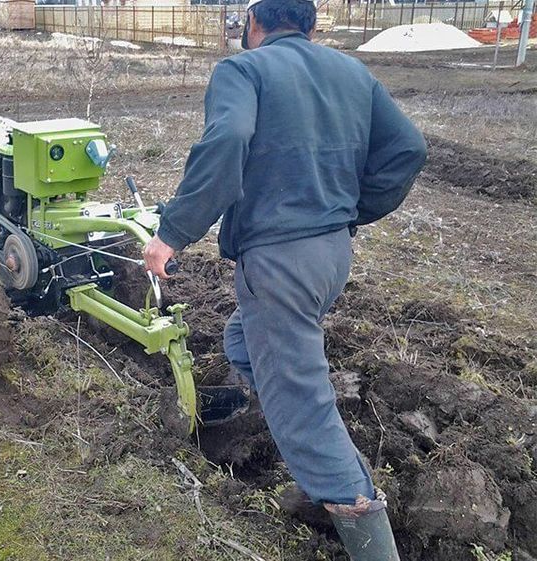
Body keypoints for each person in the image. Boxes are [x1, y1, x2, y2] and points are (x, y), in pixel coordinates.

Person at [142, 0, 427, 558]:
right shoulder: (352, 72)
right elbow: (408, 149)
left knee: (302, 403)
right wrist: (346, 209)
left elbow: (226, 143)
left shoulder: (242, 70)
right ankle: (272, 412)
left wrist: (171, 232)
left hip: (279, 263)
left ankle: (367, 533)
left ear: (254, 24)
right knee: (241, 338)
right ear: (311, 25)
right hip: (331, 255)